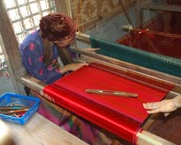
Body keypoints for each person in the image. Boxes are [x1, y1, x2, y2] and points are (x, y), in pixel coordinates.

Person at [19, 13, 115, 145]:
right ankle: (87, 139)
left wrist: (83, 52)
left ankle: (101, 137)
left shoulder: (54, 38)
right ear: (56, 40)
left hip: (57, 79)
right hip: (41, 88)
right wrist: (67, 67)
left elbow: (67, 51)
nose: (71, 41)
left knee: (87, 102)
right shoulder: (30, 46)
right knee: (76, 112)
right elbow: (41, 77)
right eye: (69, 39)